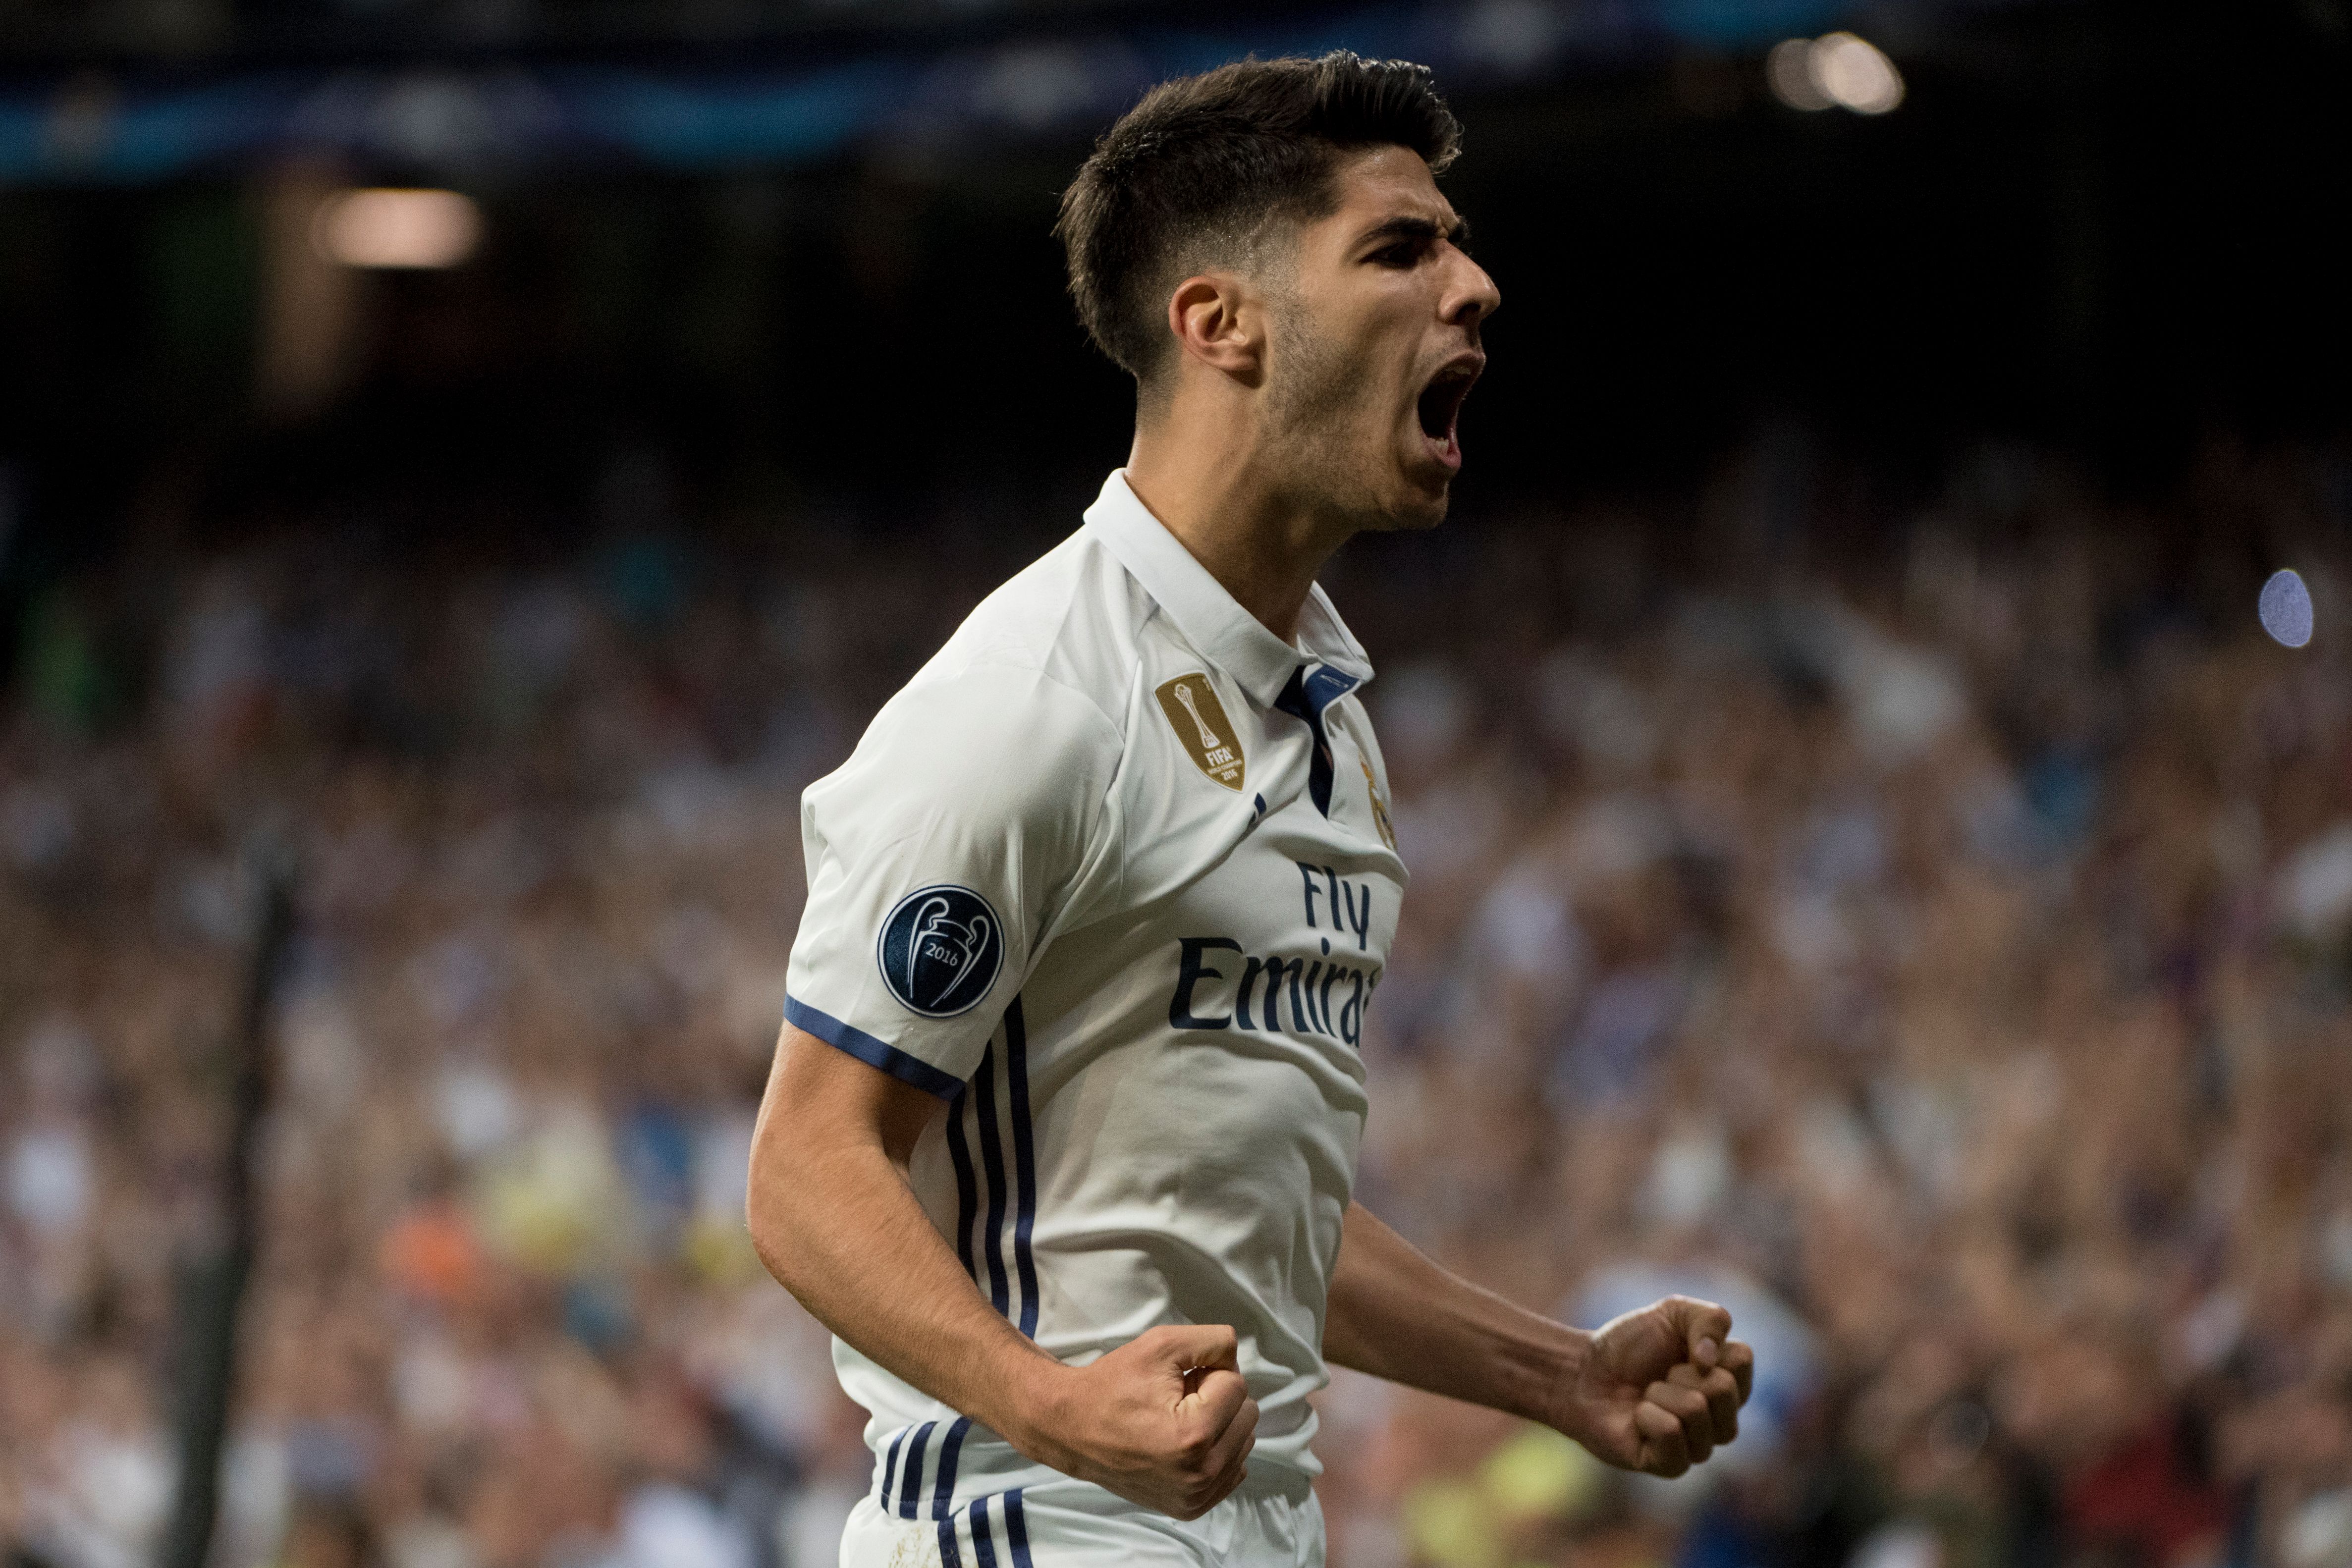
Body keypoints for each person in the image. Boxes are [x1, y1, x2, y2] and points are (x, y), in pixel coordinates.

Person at [745, 51, 1754, 1568]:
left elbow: (1247, 1224)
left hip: (1253, 1534)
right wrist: (1054, 1404)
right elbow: (808, 1163)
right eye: (1400, 248)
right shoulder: (1035, 703)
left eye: (1457, 245)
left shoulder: (1332, 723)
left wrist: (1556, 1376)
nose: (1471, 287)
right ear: (1219, 322)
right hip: (1037, 1530)